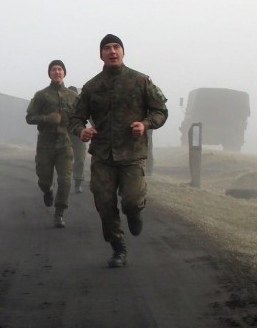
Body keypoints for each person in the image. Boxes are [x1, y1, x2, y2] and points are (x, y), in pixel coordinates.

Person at [68, 34, 168, 268]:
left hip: (132, 155)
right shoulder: (91, 87)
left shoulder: (141, 81)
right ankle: (118, 247)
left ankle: (134, 213)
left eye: (116, 47)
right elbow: (75, 118)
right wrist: (81, 131)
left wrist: (145, 124)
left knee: (131, 201)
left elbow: (160, 111)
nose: (112, 51)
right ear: (100, 54)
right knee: (104, 203)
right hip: (103, 155)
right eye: (107, 48)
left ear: (123, 52)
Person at [25, 60, 77, 228]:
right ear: (49, 73)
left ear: (64, 73)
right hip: (45, 145)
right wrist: (47, 119)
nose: (57, 72)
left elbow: (79, 119)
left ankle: (59, 212)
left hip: (65, 144)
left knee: (65, 180)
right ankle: (47, 190)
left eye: (60, 69)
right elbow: (29, 117)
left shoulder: (73, 96)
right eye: (53, 70)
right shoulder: (41, 95)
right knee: (44, 178)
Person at [67, 86, 87, 193]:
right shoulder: (63, 105)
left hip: (79, 136)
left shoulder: (82, 104)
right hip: (66, 135)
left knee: (80, 160)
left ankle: (77, 185)